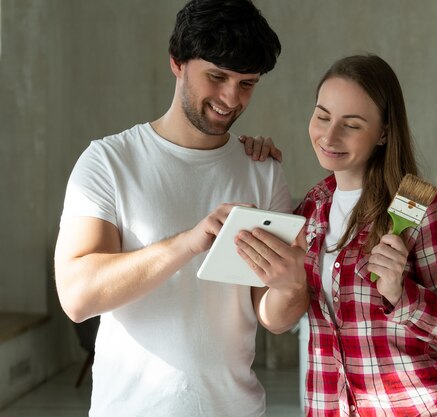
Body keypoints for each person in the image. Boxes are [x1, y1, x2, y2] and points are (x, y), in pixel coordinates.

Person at [54, 1, 308, 416]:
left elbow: (273, 318)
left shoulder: (261, 170)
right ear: (177, 62)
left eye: (247, 83)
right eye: (217, 76)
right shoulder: (108, 162)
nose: (231, 98)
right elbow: (77, 296)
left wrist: (292, 285)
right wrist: (188, 243)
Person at [236, 54, 437, 416]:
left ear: (383, 132)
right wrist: (249, 155)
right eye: (322, 116)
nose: (329, 136)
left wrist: (400, 293)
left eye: (351, 125)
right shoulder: (312, 209)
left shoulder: (417, 207)